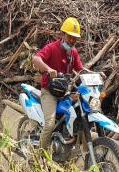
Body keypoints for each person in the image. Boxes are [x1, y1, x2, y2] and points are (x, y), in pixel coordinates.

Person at [32, 17, 84, 150]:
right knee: (49, 125)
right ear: (63, 34)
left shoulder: (73, 53)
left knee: (78, 113)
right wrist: (48, 69)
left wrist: (95, 74)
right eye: (70, 37)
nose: (72, 40)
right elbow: (36, 59)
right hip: (49, 92)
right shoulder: (51, 48)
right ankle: (38, 156)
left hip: (64, 92)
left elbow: (80, 70)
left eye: (74, 38)